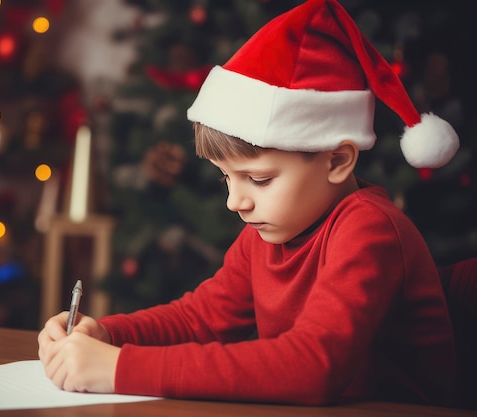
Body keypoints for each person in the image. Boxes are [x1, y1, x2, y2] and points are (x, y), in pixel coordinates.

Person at [38, 0, 460, 406]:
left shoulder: (369, 230)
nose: (235, 201)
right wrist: (105, 336)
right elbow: (199, 320)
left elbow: (312, 367)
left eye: (258, 179)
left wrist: (118, 368)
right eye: (226, 177)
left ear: (337, 160)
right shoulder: (270, 230)